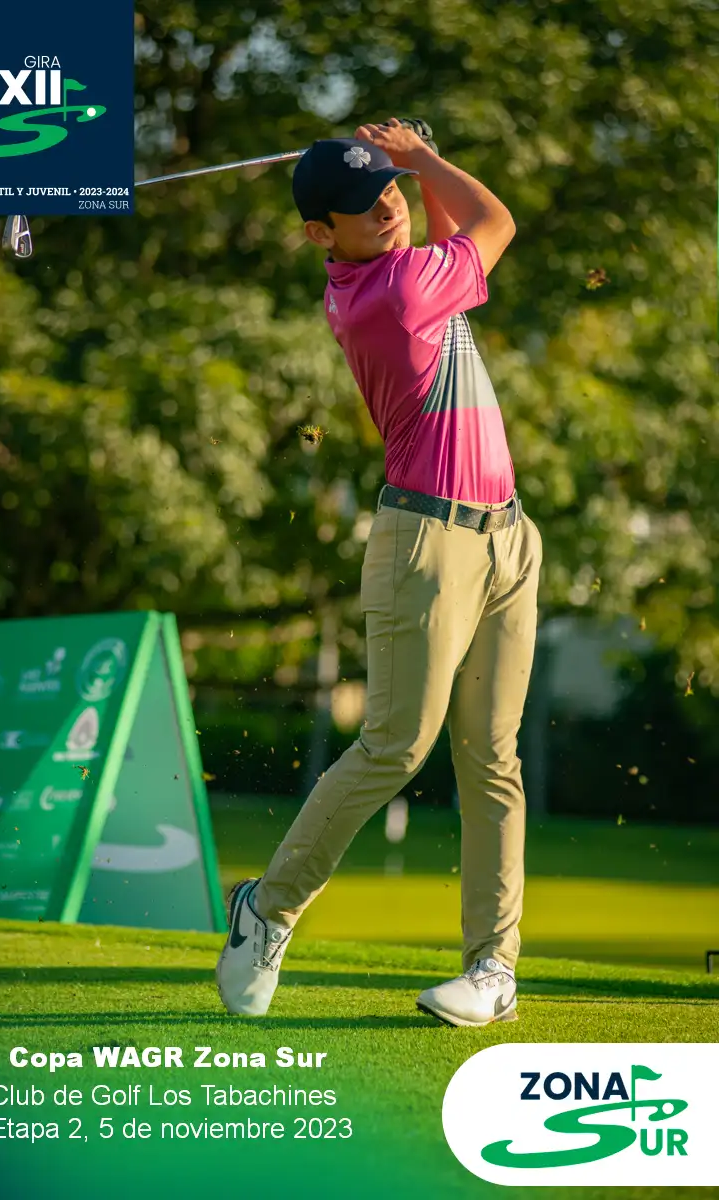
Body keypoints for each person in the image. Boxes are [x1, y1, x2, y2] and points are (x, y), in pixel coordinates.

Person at [216, 117, 543, 1028]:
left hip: (507, 535)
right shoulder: (393, 294)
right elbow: (495, 224)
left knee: (494, 760)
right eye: (366, 205)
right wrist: (424, 158)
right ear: (320, 234)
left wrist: (411, 168)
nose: (388, 207)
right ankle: (268, 908)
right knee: (395, 745)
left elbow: (450, 233)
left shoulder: (400, 270)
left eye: (389, 191)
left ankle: (493, 968)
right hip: (426, 543)